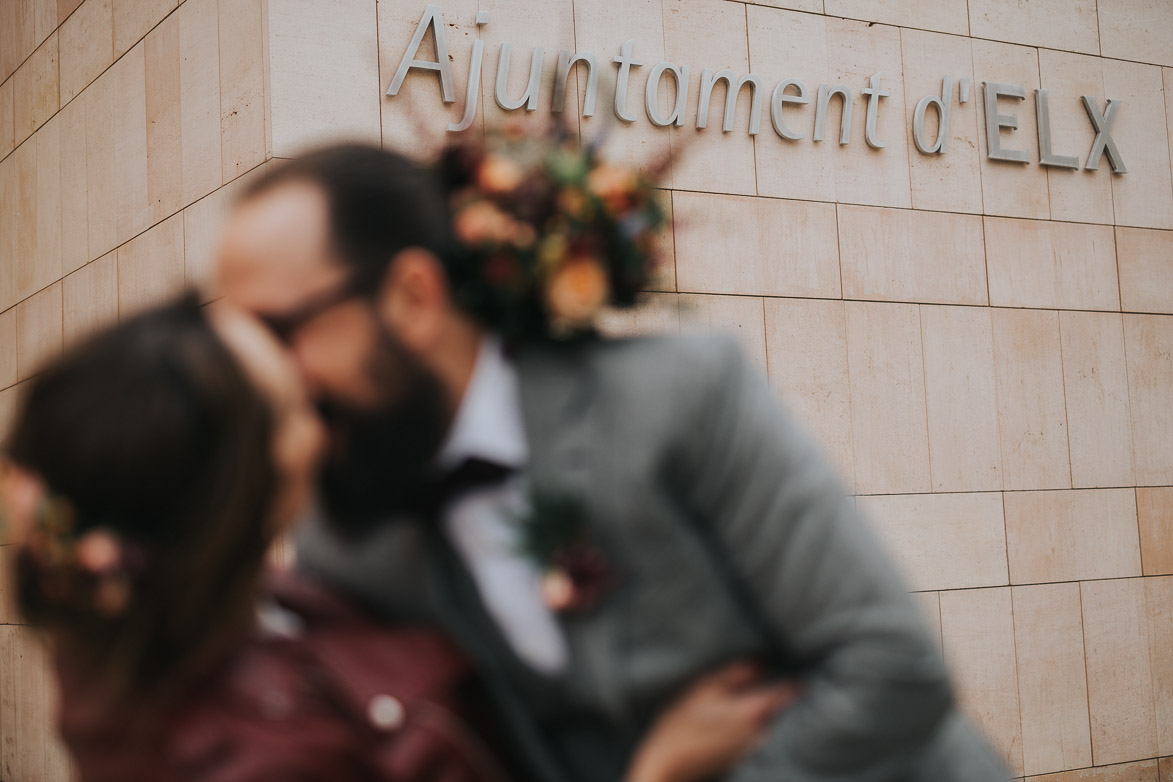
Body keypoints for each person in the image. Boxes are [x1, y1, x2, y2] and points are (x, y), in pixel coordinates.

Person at [215, 138, 1010, 782]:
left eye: (280, 332)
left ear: (415, 298)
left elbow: (890, 670)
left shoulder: (681, 396)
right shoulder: (338, 539)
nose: (261, 379)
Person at [0, 295, 794, 782]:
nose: (325, 409)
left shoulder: (182, 612)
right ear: (232, 495)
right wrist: (659, 772)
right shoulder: (245, 764)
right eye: (295, 408)